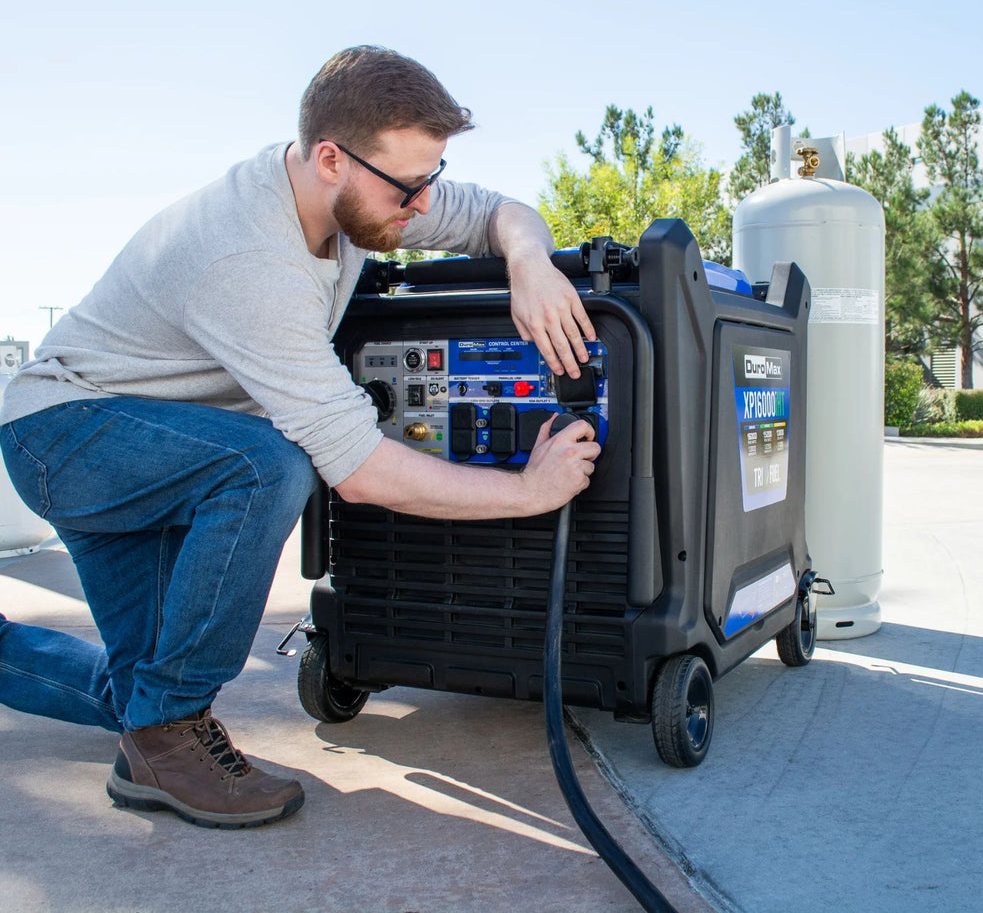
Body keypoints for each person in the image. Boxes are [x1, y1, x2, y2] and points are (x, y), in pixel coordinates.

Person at [0, 46, 601, 829]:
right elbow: (359, 471)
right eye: (411, 185)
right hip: (71, 436)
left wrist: (529, 259)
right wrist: (529, 492)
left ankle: (153, 724)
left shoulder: (363, 195)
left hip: (162, 449)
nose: (424, 204)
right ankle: (170, 740)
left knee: (140, 692)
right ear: (330, 158)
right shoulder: (250, 257)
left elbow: (500, 212)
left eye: (433, 176)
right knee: (269, 467)